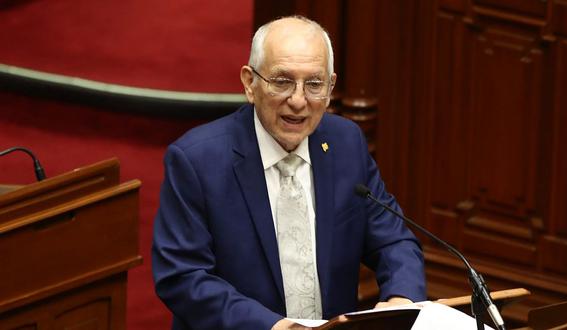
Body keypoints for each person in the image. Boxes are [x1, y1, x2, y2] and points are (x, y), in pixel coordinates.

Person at [152, 15, 426, 330]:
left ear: (330, 86)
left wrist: (402, 298)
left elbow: (393, 241)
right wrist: (274, 327)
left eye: (314, 84)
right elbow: (183, 277)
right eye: (282, 81)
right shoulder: (196, 161)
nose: (298, 101)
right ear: (249, 83)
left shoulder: (346, 143)